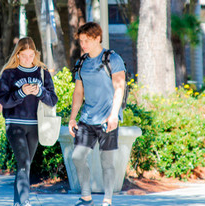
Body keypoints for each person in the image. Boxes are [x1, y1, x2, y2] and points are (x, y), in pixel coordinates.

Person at [68, 22, 126, 206]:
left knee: (107, 162)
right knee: (77, 156)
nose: (83, 44)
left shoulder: (112, 58)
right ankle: (86, 196)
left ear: (97, 38)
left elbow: (119, 88)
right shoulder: (81, 63)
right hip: (87, 118)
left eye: (87, 40)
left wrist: (114, 115)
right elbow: (78, 93)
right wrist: (72, 117)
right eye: (81, 41)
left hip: (107, 119)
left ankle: (107, 200)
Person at [0, 37, 58, 206]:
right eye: (24, 55)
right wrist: (21, 92)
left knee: (25, 165)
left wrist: (40, 92)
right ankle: (25, 201)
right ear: (17, 55)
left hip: (36, 125)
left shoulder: (42, 72)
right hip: (14, 124)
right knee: (23, 161)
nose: (28, 59)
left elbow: (53, 99)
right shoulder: (9, 73)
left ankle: (17, 202)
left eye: (31, 55)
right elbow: (3, 99)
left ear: (35, 54)